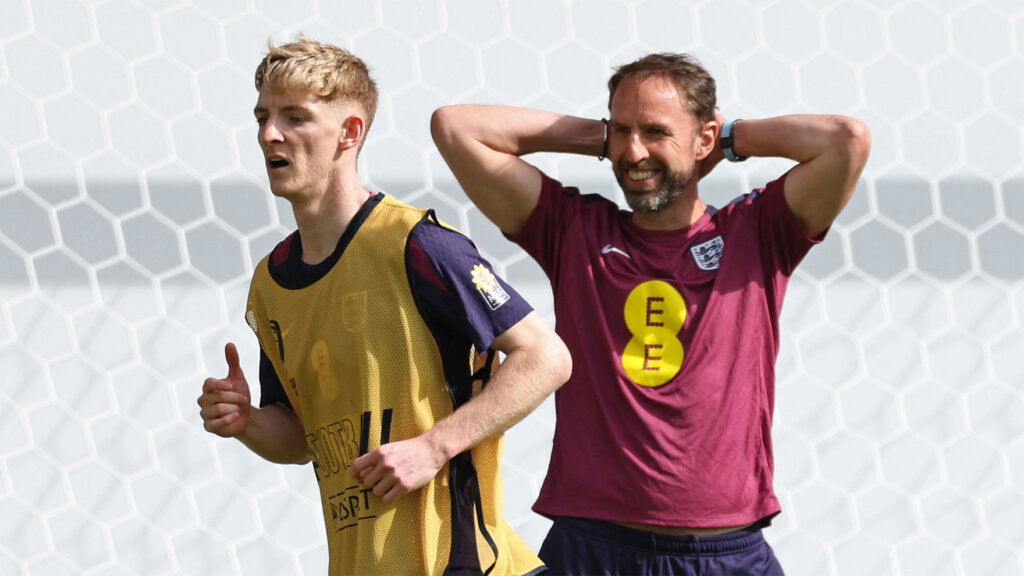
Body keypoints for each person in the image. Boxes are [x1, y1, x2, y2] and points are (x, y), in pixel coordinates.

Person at [431, 52, 871, 574]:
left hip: (724, 553)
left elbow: (846, 139)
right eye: (621, 130)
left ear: (703, 139)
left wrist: (729, 139)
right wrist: (604, 140)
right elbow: (456, 127)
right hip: (590, 548)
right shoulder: (574, 231)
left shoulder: (757, 231)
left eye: (656, 132)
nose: (634, 151)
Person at [197, 35, 571, 576]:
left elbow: (546, 357)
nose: (268, 134)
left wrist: (433, 447)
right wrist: (248, 420)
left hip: (465, 565)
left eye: (295, 117)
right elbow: (302, 438)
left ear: (350, 133)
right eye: (262, 116)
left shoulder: (418, 244)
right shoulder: (270, 284)